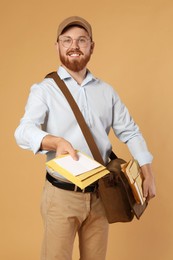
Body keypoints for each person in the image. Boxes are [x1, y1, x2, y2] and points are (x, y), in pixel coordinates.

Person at [14, 16, 156, 260]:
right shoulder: (44, 91)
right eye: (66, 40)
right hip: (61, 196)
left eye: (82, 40)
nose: (74, 45)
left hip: (102, 194)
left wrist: (148, 173)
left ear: (92, 46)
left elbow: (130, 131)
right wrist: (55, 141)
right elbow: (23, 131)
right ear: (57, 46)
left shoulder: (106, 91)